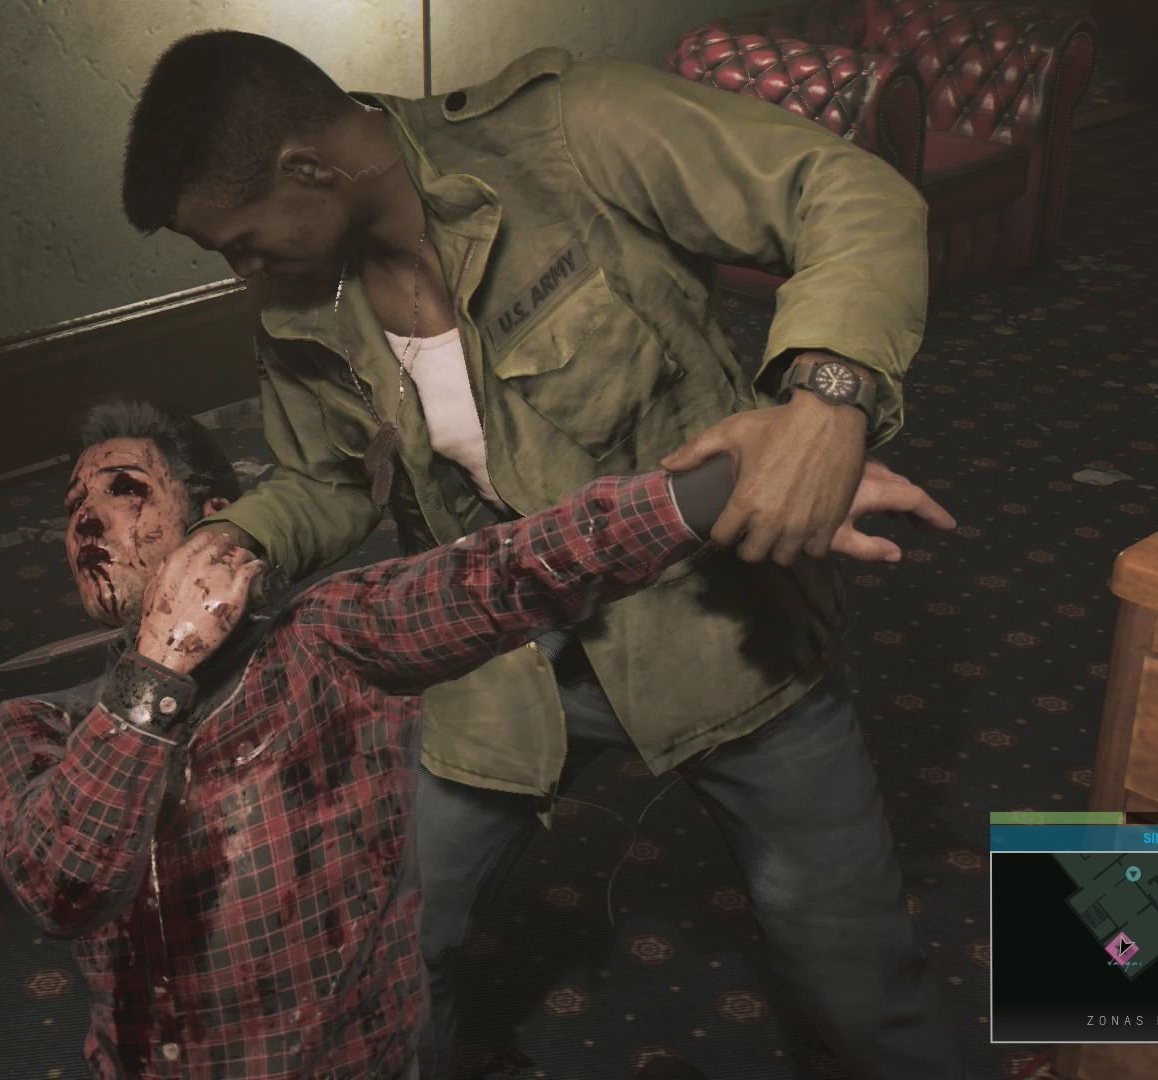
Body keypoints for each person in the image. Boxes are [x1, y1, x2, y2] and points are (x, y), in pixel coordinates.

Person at [121, 31, 961, 1078]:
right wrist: (234, 536)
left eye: (244, 243)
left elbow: (853, 193)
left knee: (854, 979)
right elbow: (327, 482)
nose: (241, 271)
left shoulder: (577, 133)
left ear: (310, 169)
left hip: (718, 626)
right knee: (382, 940)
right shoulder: (301, 298)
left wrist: (827, 403)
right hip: (497, 653)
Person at [0, 399, 953, 1079]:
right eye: (73, 511)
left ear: (216, 523)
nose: (88, 524)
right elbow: (65, 884)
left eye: (123, 491)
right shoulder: (27, 729)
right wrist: (159, 667)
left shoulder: (322, 644)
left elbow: (503, 575)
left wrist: (724, 490)